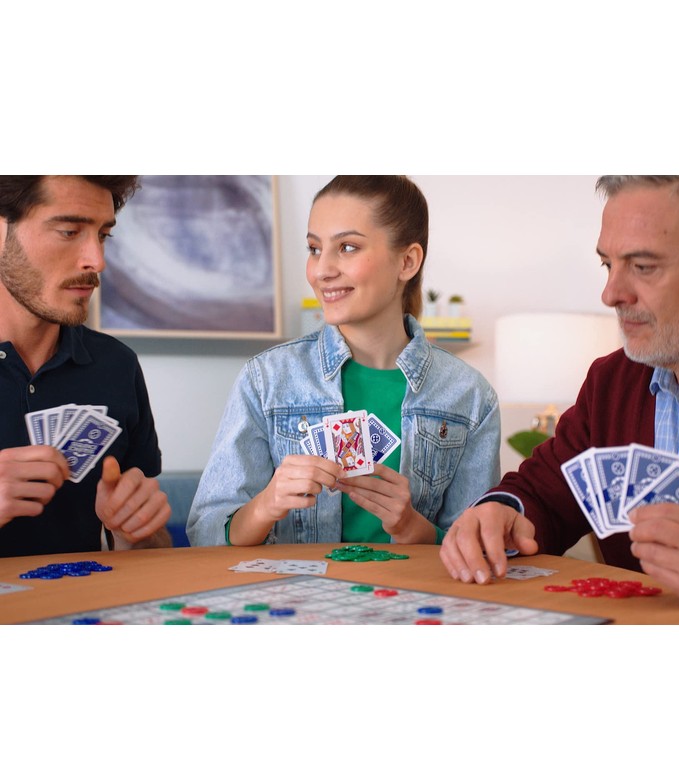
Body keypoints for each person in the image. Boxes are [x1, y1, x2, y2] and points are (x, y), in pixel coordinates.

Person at [441, 175, 679, 624]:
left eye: (643, 266)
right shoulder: (611, 382)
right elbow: (544, 494)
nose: (611, 294)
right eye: (608, 264)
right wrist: (500, 511)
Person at [188, 175, 500, 547]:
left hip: (415, 603)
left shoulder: (471, 397)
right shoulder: (266, 380)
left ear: (407, 261)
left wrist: (412, 528)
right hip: (296, 599)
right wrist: (265, 505)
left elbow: (477, 547)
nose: (321, 270)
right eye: (314, 248)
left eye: (348, 247)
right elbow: (205, 534)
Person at [0, 175, 172, 557]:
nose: (97, 261)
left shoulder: (117, 366)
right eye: (69, 231)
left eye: (103, 235)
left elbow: (151, 555)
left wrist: (136, 532)